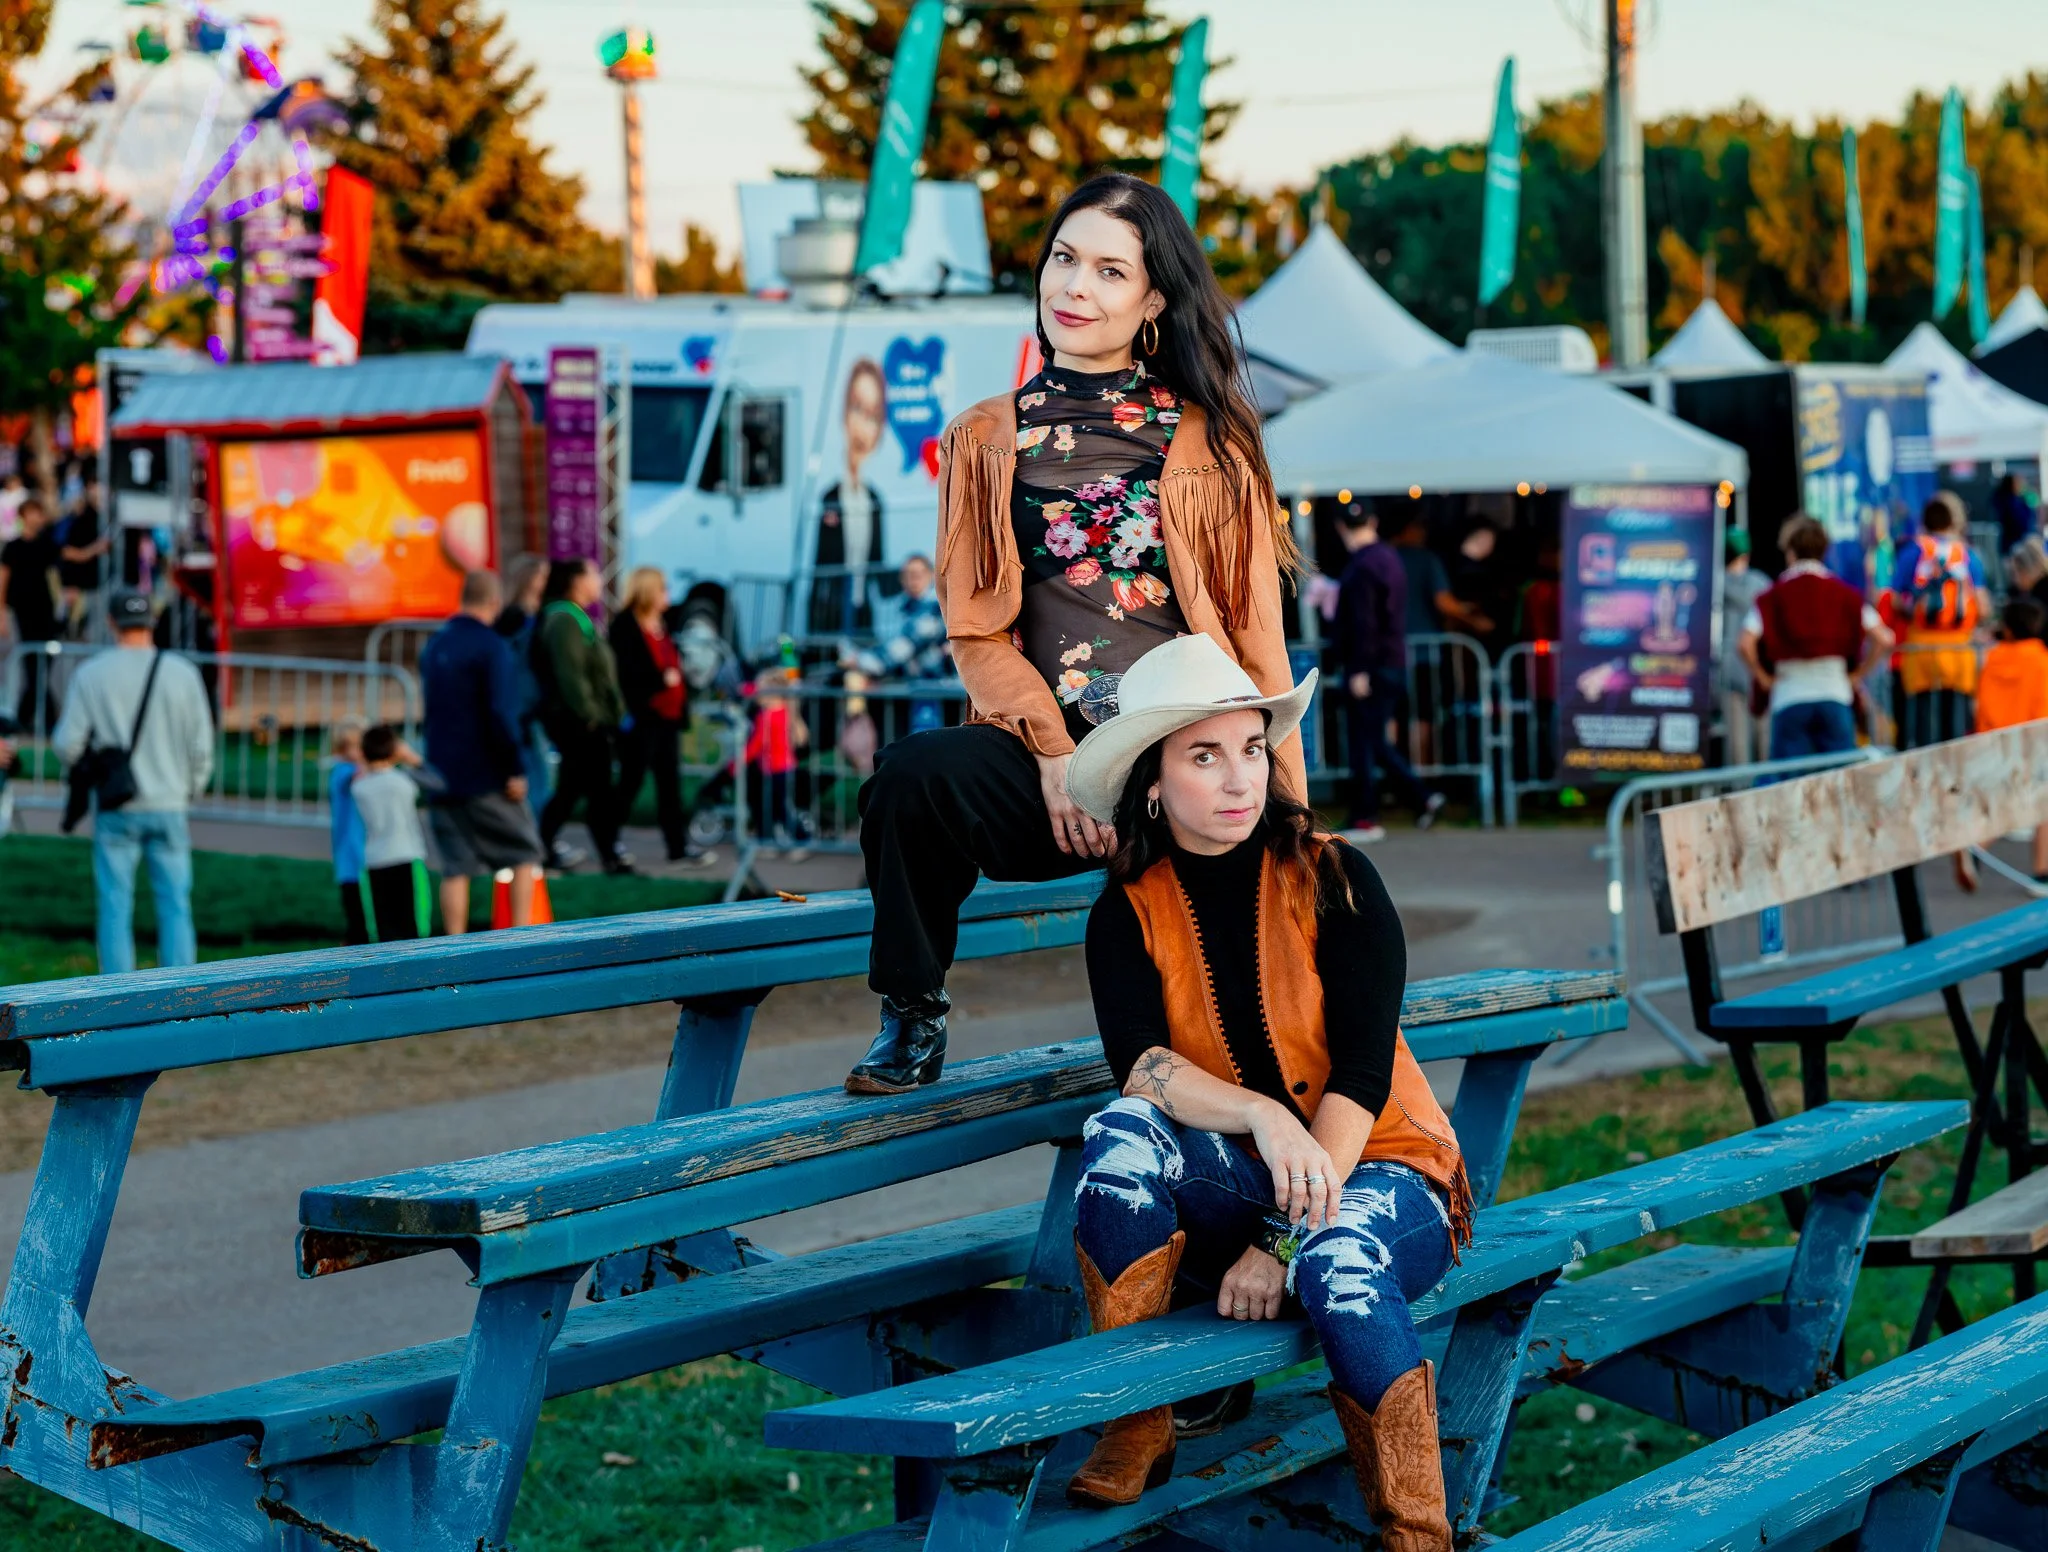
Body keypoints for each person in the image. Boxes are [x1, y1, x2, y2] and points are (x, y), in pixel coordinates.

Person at [848, 173, 1301, 1095]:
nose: (1075, 288)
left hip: (1179, 756)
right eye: (1064, 259)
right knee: (909, 778)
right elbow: (975, 630)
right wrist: (1053, 754)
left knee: (1215, 1006)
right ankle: (912, 1011)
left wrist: (1289, 804)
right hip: (1043, 768)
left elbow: (1256, 633)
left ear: (1151, 301)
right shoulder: (985, 437)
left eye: (1107, 270)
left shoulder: (1213, 444)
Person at [1059, 635, 1468, 1542]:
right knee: (1123, 1134)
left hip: (1384, 1168)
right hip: (1249, 1170)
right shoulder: (1126, 910)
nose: (1239, 778)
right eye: (1204, 755)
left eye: (1251, 749)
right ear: (1152, 784)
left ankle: (1418, 1536)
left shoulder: (1336, 876)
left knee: (1338, 1264)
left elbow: (1362, 1077)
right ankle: (1138, 1425)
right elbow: (1142, 1068)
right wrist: (1257, 1114)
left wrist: (1283, 1242)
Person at [51, 590, 213, 974]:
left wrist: (95, 766)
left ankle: (119, 993)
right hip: (169, 801)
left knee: (114, 903)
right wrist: (191, 787)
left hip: (116, 804)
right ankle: (180, 990)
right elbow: (202, 744)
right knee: (175, 903)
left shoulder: (92, 673)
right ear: (152, 622)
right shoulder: (182, 672)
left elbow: (65, 744)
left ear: (111, 623)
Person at [419, 571, 550, 932]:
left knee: (455, 867)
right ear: (494, 602)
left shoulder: (435, 645)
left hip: (441, 772)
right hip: (487, 773)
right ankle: (519, 940)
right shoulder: (492, 647)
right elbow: (500, 714)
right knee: (525, 853)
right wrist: (514, 769)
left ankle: (454, 950)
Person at [1738, 515, 1892, 761]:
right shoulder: (1844, 595)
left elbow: (1745, 643)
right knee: (1837, 780)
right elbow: (1884, 638)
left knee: (1789, 783)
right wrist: (1858, 674)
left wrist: (1764, 678)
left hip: (1789, 695)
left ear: (1790, 552)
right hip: (1835, 694)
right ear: (1824, 550)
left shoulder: (1773, 597)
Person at [1333, 506, 1443, 840]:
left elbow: (1366, 623)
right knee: (1372, 740)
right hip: (1391, 660)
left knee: (1365, 742)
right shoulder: (1388, 558)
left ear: (1341, 527)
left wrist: (1361, 669)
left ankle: (1369, 814)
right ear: (1374, 522)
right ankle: (1419, 798)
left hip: (1373, 665)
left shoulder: (1364, 565)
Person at [532, 557, 632, 874]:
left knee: (577, 789)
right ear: (577, 581)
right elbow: (571, 676)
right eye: (594, 575)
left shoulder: (574, 617)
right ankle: (606, 856)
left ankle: (546, 847)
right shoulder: (563, 619)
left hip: (584, 721)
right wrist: (591, 715)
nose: (600, 582)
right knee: (593, 791)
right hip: (580, 724)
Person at [609, 566, 710, 866]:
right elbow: (626, 673)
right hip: (644, 717)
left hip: (668, 717)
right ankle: (609, 840)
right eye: (662, 588)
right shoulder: (626, 626)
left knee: (670, 786)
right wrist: (659, 680)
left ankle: (677, 846)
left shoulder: (661, 623)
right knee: (631, 781)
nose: (667, 594)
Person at [1884, 491, 1990, 750]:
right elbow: (1983, 607)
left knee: (1923, 730)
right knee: (1955, 728)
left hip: (1921, 654)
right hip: (1959, 653)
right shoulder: (1967, 556)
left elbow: (1895, 599)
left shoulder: (1913, 552)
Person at [809, 358, 890, 637]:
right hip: (831, 605)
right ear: (844, 414)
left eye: (873, 414)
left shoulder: (874, 499)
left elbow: (879, 563)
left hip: (861, 605)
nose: (863, 425)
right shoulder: (830, 495)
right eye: (857, 408)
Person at [1976, 596, 2048, 878]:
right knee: (2039, 802)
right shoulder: (2040, 660)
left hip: (1996, 739)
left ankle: (1977, 847)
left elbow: (1983, 701)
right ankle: (2042, 868)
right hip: (2032, 741)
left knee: (2006, 801)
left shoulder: (1994, 658)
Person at [351, 723, 433, 942]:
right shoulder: (404, 782)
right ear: (394, 750)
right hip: (407, 855)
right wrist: (411, 758)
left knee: (383, 929)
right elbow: (436, 780)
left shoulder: (359, 788)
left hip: (375, 859)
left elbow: (362, 773)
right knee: (414, 926)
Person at [493, 553, 554, 828]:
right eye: (542, 576)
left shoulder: (540, 615)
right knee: (534, 774)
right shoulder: (514, 619)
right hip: (522, 709)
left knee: (540, 772)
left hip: (534, 706)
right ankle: (531, 836)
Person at [0, 496, 63, 734]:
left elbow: (70, 554)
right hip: (24, 613)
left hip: (46, 613)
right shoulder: (13, 547)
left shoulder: (46, 544)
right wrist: (2, 613)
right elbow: (3, 579)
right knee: (31, 665)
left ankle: (27, 717)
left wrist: (95, 548)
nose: (38, 518)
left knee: (42, 663)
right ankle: (42, 717)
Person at [1718, 530, 1771, 765]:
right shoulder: (1762, 585)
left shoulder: (1715, 584)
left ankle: (1742, 792)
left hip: (1727, 666)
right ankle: (1770, 789)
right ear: (1747, 554)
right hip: (1757, 666)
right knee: (1765, 735)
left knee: (1737, 742)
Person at [330, 720, 370, 946]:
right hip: (351, 860)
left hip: (364, 856)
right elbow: (354, 777)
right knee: (356, 915)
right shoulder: (342, 772)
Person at [56, 475, 110, 634]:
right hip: (80, 586)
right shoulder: (79, 519)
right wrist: (94, 549)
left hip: (98, 584)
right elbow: (67, 552)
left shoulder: (107, 517)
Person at [1993, 471, 2038, 555]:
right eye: (2019, 482)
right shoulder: (2010, 502)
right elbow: (2021, 521)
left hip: (2016, 543)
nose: (2022, 485)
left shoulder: (2015, 500)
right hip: (2016, 544)